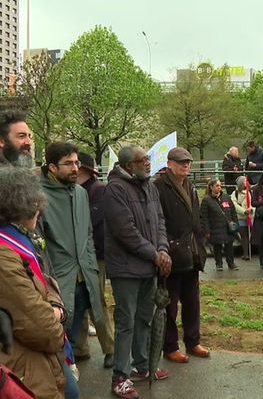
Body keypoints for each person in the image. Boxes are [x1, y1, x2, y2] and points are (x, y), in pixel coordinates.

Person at [104, 146, 172, 398]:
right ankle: (120, 375)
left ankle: (142, 366)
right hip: (126, 269)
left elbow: (160, 221)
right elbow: (126, 232)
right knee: (126, 322)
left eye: (148, 159)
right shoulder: (115, 190)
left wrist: (163, 249)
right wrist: (155, 254)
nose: (148, 163)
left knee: (145, 318)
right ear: (129, 165)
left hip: (149, 266)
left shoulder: (150, 186)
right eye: (143, 160)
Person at [0, 167, 66, 399]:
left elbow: (46, 281)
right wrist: (57, 316)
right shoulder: (5, 255)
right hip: (24, 369)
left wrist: (55, 307)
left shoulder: (23, 239)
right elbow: (44, 330)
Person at [40, 142, 104, 348]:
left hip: (84, 277)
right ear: (52, 167)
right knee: (58, 336)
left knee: (74, 336)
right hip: (58, 280)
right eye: (68, 163)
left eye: (76, 162)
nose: (75, 168)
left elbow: (87, 233)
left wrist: (91, 266)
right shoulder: (38, 196)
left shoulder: (80, 193)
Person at [155, 147, 210, 364]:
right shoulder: (159, 186)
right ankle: (170, 346)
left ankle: (192, 340)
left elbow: (195, 218)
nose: (185, 165)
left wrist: (201, 240)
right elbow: (158, 220)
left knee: (192, 301)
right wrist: (166, 247)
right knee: (170, 303)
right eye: (180, 162)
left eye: (187, 162)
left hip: (193, 251)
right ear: (169, 163)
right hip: (172, 253)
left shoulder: (190, 185)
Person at [73, 152, 115, 369]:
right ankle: (80, 348)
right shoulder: (74, 190)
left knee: (96, 301)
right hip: (76, 257)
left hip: (94, 256)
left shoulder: (98, 190)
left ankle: (110, 349)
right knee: (77, 300)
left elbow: (94, 223)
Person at [200, 178, 239, 271]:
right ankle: (219, 264)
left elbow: (233, 211)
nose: (219, 188)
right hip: (215, 228)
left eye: (220, 186)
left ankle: (231, 263)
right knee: (217, 247)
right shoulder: (206, 200)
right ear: (211, 187)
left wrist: (235, 223)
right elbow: (203, 216)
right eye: (217, 186)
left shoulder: (226, 197)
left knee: (229, 246)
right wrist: (207, 230)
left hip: (227, 227)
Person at [232, 176, 254, 261]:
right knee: (244, 236)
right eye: (245, 181)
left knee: (249, 236)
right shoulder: (235, 193)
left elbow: (253, 203)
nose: (246, 182)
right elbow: (235, 205)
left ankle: (250, 251)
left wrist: (251, 209)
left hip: (250, 217)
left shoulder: (250, 192)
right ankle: (245, 253)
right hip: (241, 217)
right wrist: (244, 211)